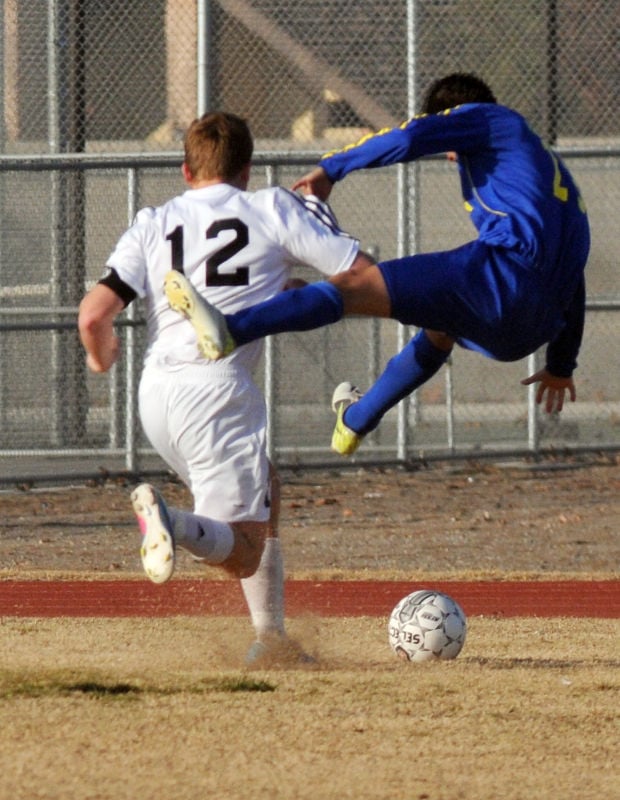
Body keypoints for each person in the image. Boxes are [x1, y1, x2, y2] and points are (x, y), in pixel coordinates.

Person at [78, 111, 372, 666]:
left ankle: (272, 640)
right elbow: (354, 270)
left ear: (187, 170)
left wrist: (100, 358)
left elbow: (94, 314)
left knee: (267, 487)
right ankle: (169, 520)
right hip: (217, 393)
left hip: (156, 393)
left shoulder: (155, 219)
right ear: (248, 169)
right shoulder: (270, 206)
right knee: (242, 551)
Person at [173, 73, 590, 455]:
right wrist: (560, 364)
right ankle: (354, 420)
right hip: (533, 326)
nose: (449, 157)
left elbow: (408, 139)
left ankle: (231, 329)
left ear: (450, 116)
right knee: (441, 326)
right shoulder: (552, 176)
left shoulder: (483, 118)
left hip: (502, 274)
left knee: (352, 286)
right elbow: (575, 279)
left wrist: (332, 168)